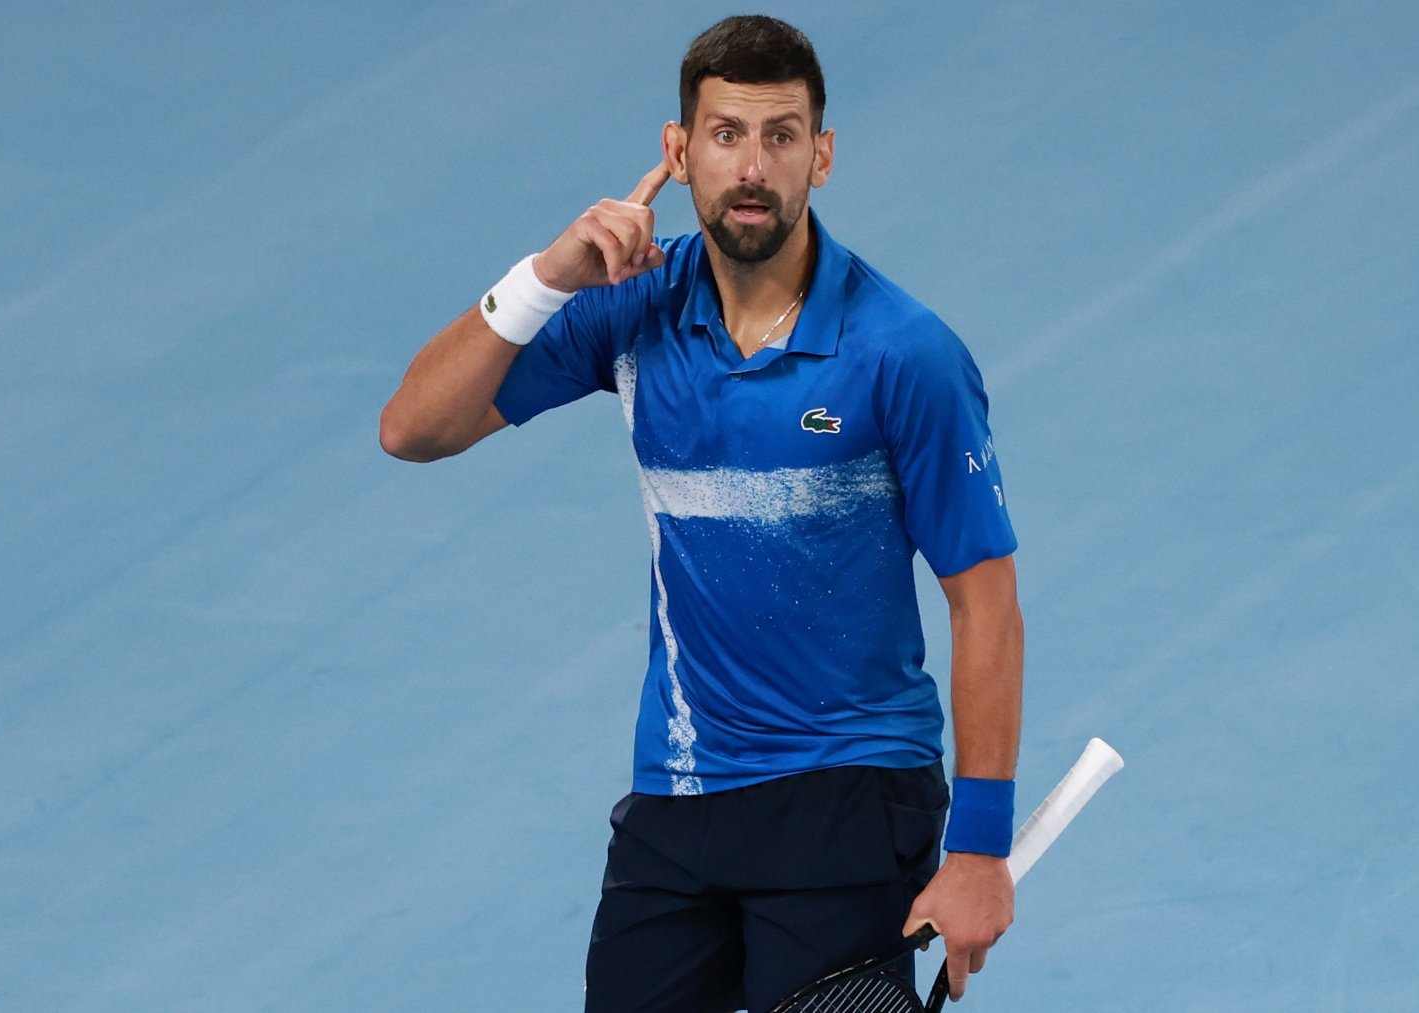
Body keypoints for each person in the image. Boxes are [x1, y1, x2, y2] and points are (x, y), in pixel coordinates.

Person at [380, 15, 1023, 1012]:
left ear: (824, 153)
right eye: (726, 135)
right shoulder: (628, 305)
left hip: (849, 792)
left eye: (781, 135)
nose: (754, 166)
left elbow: (985, 601)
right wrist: (546, 278)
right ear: (678, 153)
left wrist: (978, 845)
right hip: (681, 794)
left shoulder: (904, 354)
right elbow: (414, 428)